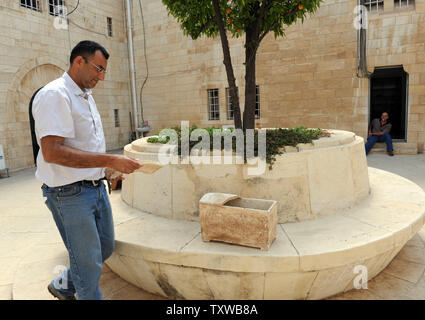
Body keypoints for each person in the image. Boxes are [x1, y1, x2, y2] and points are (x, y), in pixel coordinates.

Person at [32, 40, 143, 300]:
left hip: (95, 188)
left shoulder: (85, 96)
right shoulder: (54, 95)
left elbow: (85, 144)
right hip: (68, 194)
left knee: (104, 248)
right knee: (89, 266)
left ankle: (63, 284)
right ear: (78, 62)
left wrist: (106, 170)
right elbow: (52, 152)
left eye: (104, 71)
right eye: (98, 69)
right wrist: (110, 159)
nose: (101, 77)